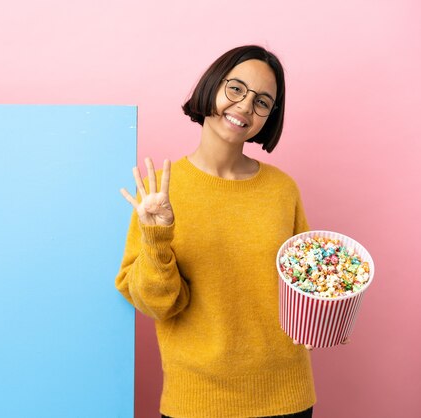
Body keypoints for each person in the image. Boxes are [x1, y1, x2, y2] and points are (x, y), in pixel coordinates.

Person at [115, 45, 317, 418]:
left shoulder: (282, 190)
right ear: (212, 86)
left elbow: (305, 281)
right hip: (197, 400)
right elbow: (155, 304)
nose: (244, 106)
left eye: (262, 101)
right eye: (236, 88)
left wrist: (330, 316)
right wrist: (158, 239)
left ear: (269, 117)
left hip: (286, 395)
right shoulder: (158, 192)